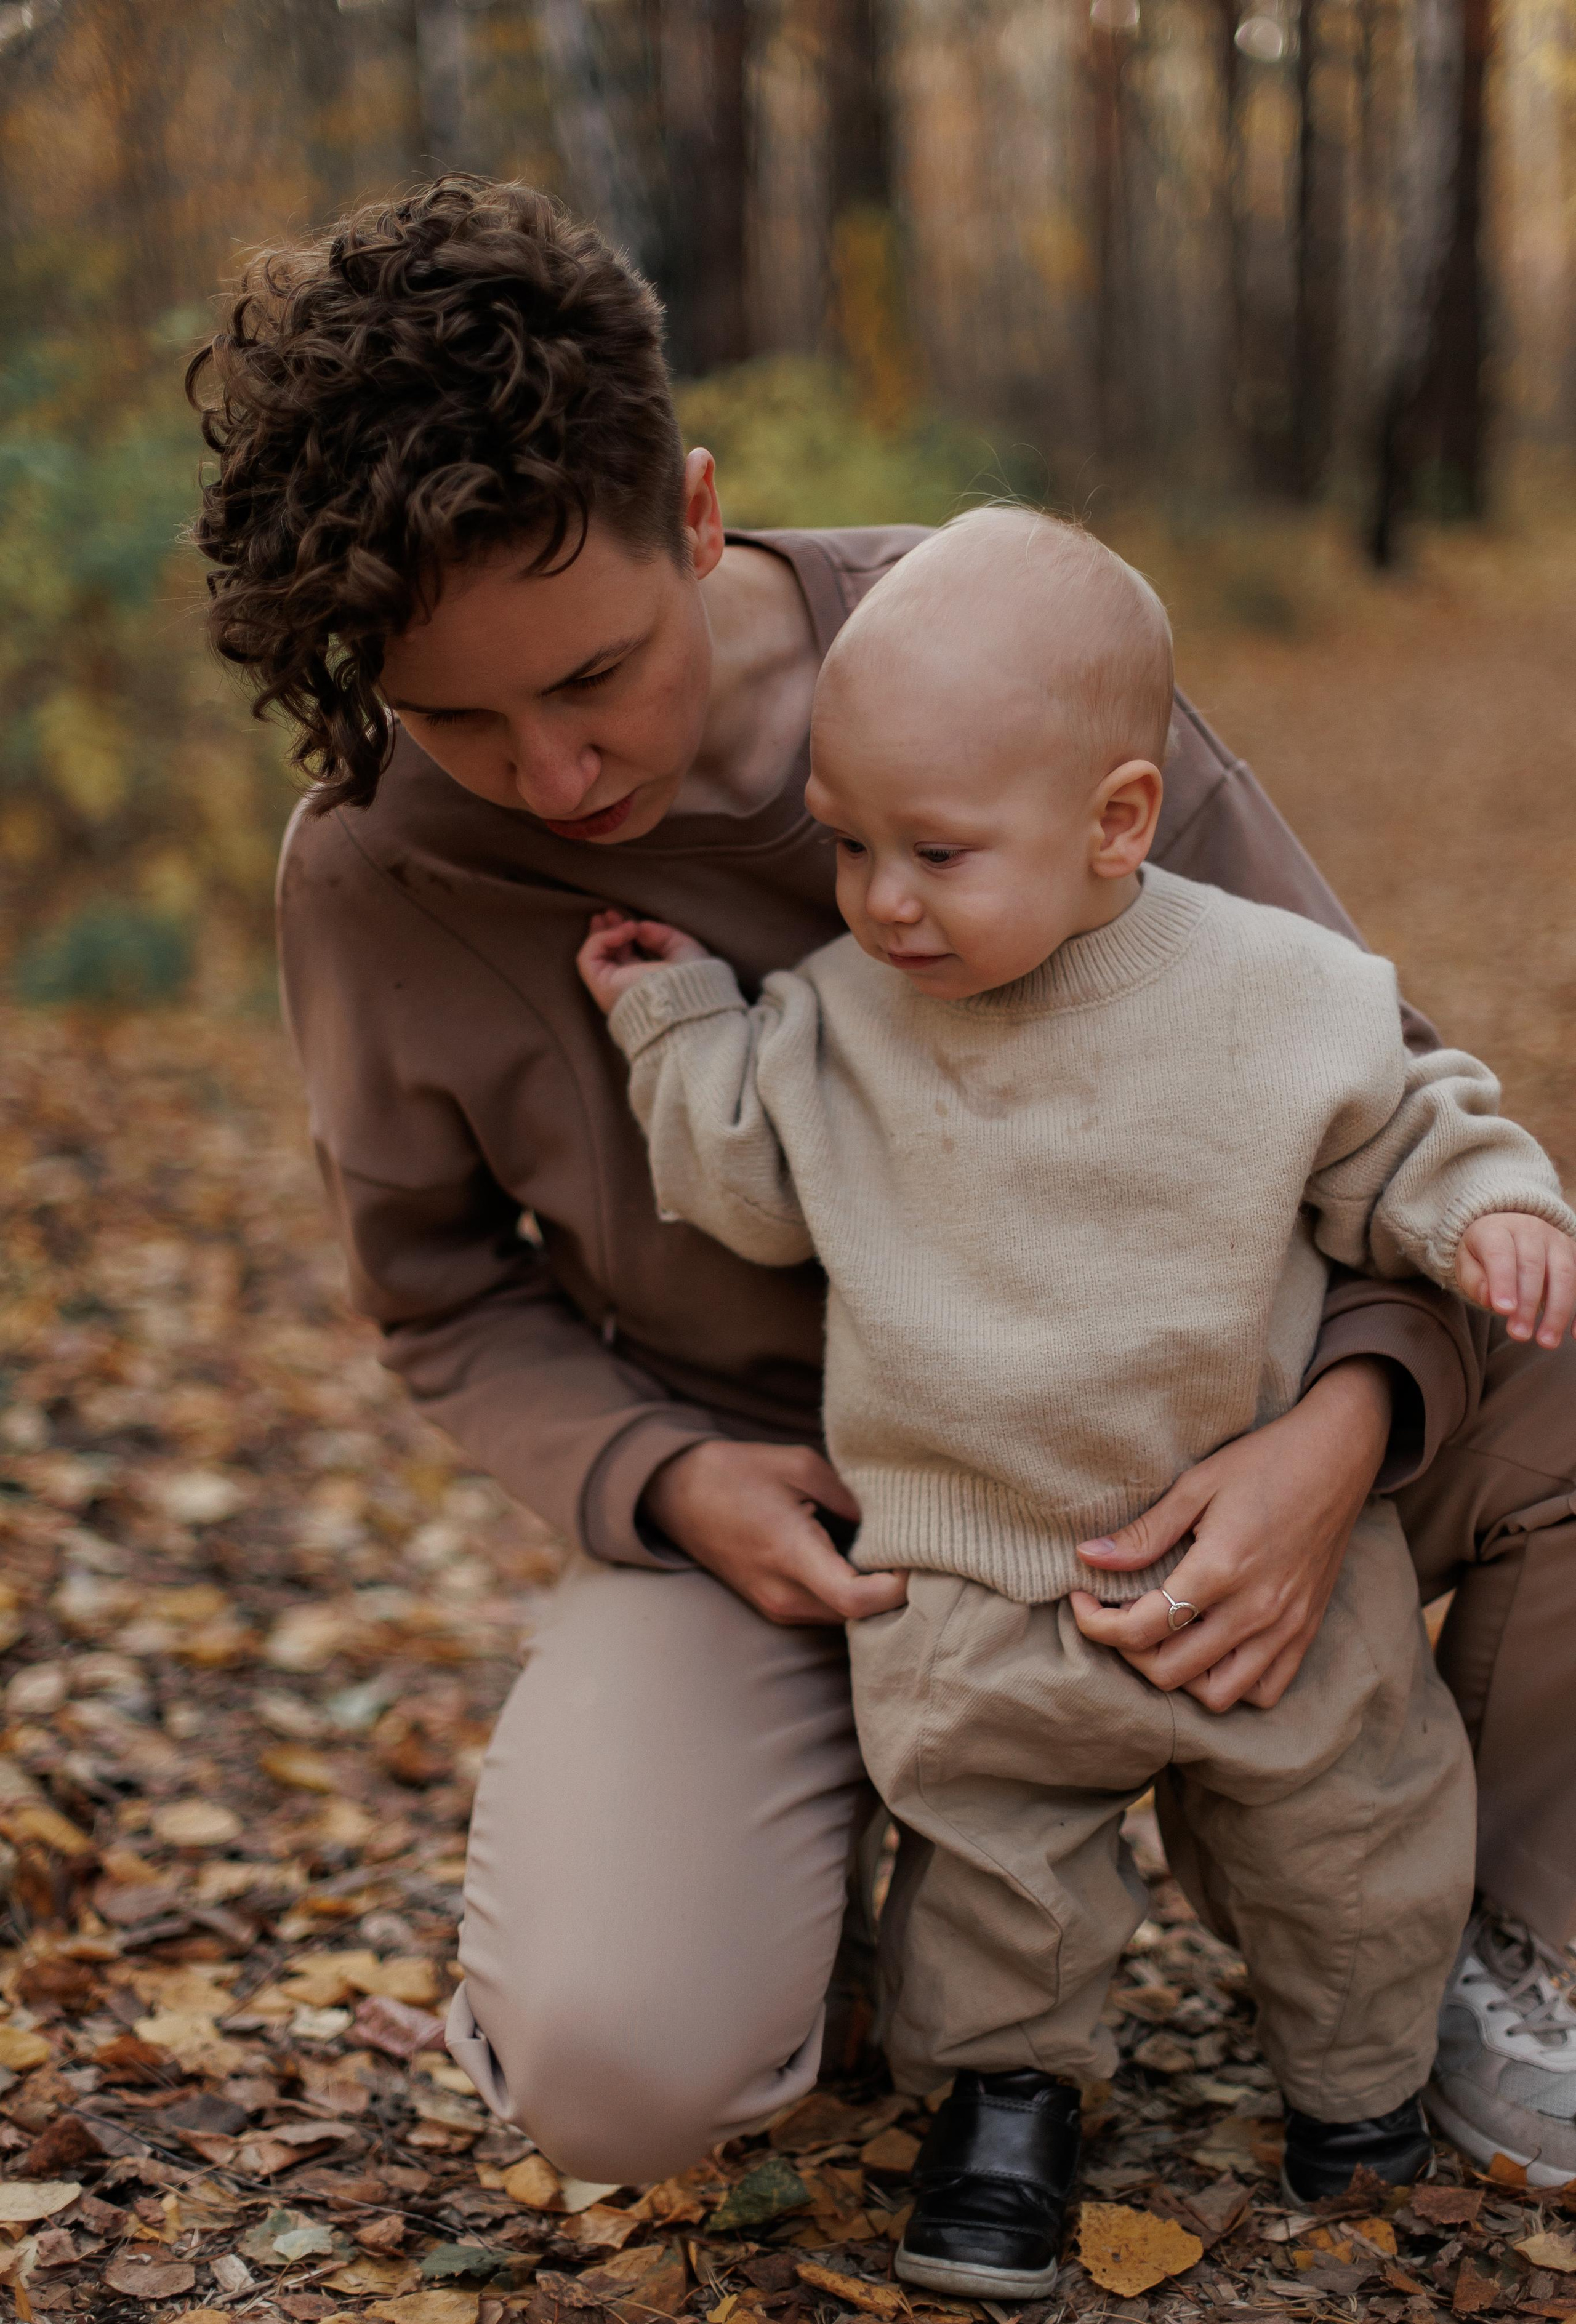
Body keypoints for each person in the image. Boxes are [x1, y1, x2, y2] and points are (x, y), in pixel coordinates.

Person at [186, 176, 1576, 2198]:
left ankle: (1519, 1946)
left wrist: (1340, 1440)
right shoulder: (376, 874)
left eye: (590, 679)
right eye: (454, 718)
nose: (554, 777)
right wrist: (668, 1483)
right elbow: (441, 1298)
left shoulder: (1004, 657)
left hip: (1192, 1412)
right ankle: (811, 1879)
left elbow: (1371, 1096)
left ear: (690, 511)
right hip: (809, 1508)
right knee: (626, 2079)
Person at [573, 506, 1573, 2290]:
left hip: (1260, 1553)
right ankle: (1011, 2106)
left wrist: (1493, 1203)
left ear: (1119, 821)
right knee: (992, 1870)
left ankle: (1360, 2088)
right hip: (970, 1570)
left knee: (1353, 1830)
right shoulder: (841, 1017)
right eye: (848, 843)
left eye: (939, 853)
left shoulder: (1276, 994)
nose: (882, 898)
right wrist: (677, 1031)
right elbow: (742, 1174)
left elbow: (1407, 1126)